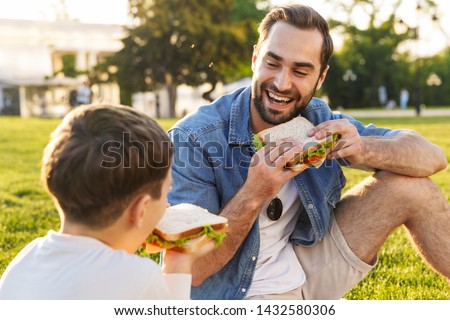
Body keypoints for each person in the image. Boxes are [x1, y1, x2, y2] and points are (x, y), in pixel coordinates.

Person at [167, 4, 449, 300]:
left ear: (321, 77)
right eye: (272, 63)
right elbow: (190, 269)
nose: (281, 83)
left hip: (305, 269)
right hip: (233, 295)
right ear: (254, 58)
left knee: (412, 187)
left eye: (300, 71)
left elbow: (432, 157)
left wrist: (365, 148)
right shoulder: (193, 139)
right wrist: (254, 193)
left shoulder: (317, 118)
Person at [0, 104, 214, 299]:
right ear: (140, 210)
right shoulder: (137, 278)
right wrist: (178, 264)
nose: (167, 206)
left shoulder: (26, 258)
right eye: (166, 192)